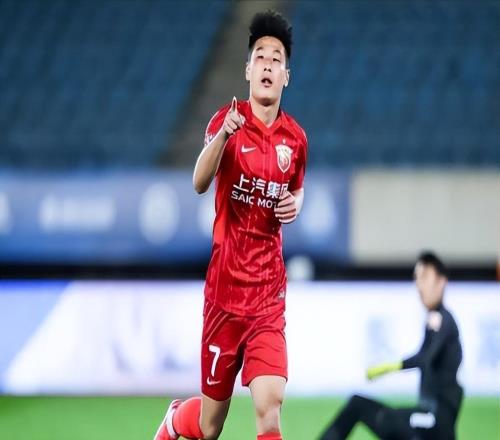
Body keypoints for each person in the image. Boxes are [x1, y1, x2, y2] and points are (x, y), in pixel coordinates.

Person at [154, 10, 307, 440]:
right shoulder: (226, 121)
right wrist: (223, 134)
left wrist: (294, 204)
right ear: (247, 70)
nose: (267, 65)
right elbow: (199, 182)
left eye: (276, 59)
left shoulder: (296, 140)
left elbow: (297, 189)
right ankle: (174, 419)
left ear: (286, 76)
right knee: (209, 427)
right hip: (224, 296)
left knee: (270, 408)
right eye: (260, 57)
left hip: (268, 298)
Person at [319, 252, 463, 440]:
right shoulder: (435, 320)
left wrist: (390, 367)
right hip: (428, 418)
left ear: (441, 282)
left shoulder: (441, 319)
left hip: (435, 421)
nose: (419, 285)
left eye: (425, 277)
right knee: (373, 411)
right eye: (417, 278)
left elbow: (425, 357)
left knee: (366, 409)